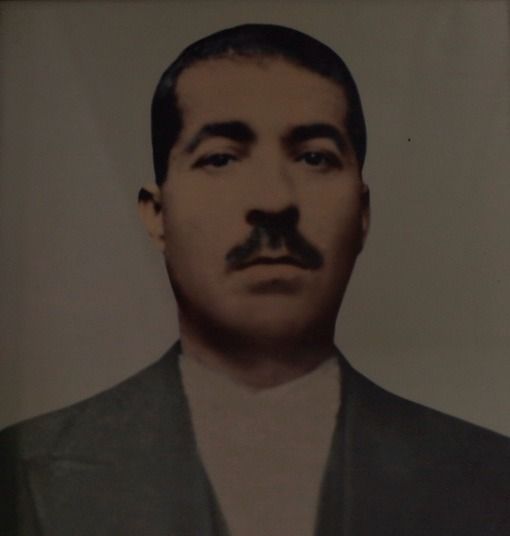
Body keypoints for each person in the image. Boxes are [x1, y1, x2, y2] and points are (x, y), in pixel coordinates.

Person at [1, 23, 509, 536]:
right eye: (220, 158)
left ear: (362, 215)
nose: (274, 199)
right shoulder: (19, 470)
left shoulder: (490, 476)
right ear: (157, 215)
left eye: (314, 158)